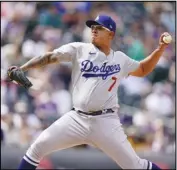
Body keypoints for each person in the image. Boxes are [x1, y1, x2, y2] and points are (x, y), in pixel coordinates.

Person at [14, 15, 171, 169]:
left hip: (106, 121)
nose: (94, 30)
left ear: (111, 34)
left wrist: (160, 49)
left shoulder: (120, 59)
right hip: (77, 118)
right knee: (37, 147)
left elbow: (143, 69)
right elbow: (49, 57)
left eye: (99, 28)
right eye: (93, 27)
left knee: (136, 166)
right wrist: (22, 68)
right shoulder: (79, 49)